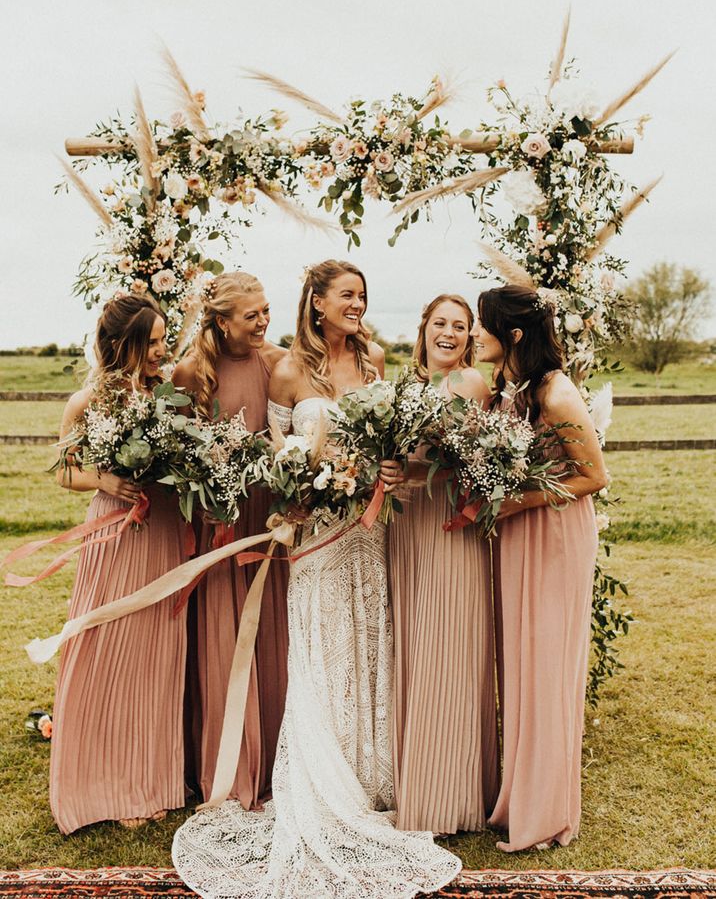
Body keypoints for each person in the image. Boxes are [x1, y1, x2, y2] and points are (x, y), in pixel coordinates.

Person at [172, 260, 460, 899]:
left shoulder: (378, 359)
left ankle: (372, 775)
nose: (358, 305)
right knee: (322, 647)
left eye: (364, 294)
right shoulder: (288, 371)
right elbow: (280, 456)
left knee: (366, 640)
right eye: (348, 296)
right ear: (318, 303)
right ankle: (322, 776)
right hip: (316, 532)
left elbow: (393, 439)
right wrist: (309, 481)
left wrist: (386, 471)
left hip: (371, 528)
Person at [472, 285, 608, 852]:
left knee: (547, 667)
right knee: (522, 665)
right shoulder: (510, 389)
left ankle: (546, 814)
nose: (477, 336)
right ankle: (518, 797)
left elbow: (592, 476)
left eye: (484, 326)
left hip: (552, 535)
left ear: (514, 336)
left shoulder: (555, 393)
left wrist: (517, 501)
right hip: (518, 534)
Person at [50, 294, 187, 833]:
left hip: (164, 531)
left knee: (157, 651)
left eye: (161, 341)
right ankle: (102, 780)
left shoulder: (170, 395)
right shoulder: (87, 402)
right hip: (115, 531)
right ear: (121, 345)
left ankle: (149, 780)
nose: (161, 350)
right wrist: (105, 480)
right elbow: (64, 471)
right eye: (151, 342)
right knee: (109, 648)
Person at [172, 272, 289, 810]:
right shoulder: (190, 373)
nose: (264, 321)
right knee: (221, 635)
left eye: (266, 310)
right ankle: (224, 765)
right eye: (252, 315)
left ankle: (274, 763)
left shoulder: (278, 362)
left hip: (268, 520)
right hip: (219, 522)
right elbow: (174, 455)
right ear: (221, 322)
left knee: (270, 635)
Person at [385, 294, 500, 835]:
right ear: (423, 328)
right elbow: (396, 459)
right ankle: (417, 784)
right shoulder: (403, 389)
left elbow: (478, 460)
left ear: (471, 337)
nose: (449, 333)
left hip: (454, 524)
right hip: (407, 525)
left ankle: (451, 795)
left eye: (460, 326)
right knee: (415, 645)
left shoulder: (472, 386)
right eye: (440, 323)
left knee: (451, 645)